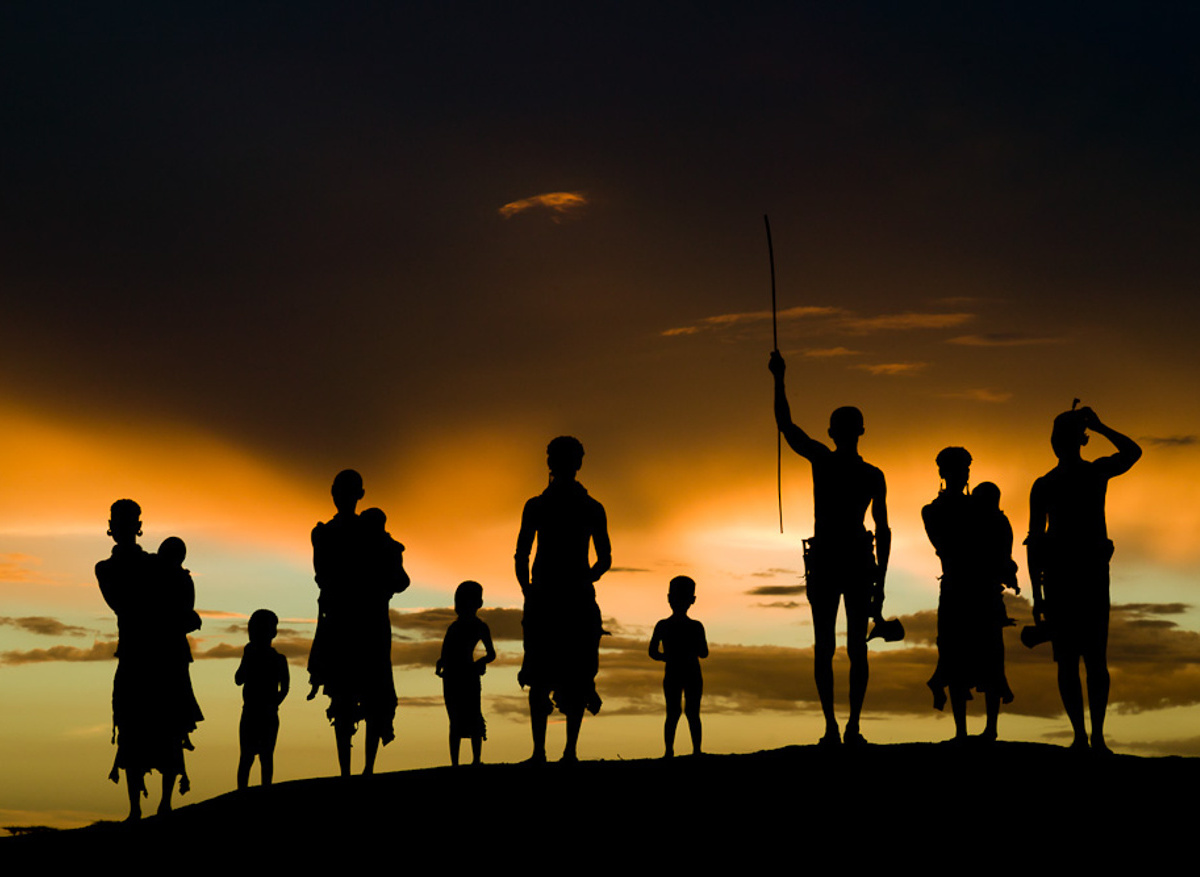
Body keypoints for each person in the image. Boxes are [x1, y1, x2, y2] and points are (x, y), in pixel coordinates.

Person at [769, 350, 890, 747]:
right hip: (857, 558)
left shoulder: (824, 460)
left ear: (834, 432)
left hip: (833, 559)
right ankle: (848, 726)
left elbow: (786, 426)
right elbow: (883, 531)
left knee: (828, 646)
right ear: (862, 431)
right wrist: (881, 580)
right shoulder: (871, 474)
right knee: (854, 646)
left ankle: (836, 728)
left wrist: (779, 378)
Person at [1027, 406, 1141, 753]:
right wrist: (1038, 594)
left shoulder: (1063, 480)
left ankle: (1089, 737)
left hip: (1074, 577)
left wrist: (1037, 594)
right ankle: (1089, 737)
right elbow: (1035, 541)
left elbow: (1035, 542)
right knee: (1082, 660)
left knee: (1081, 660)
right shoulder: (1080, 477)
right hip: (1075, 577)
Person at [95, 500, 203, 820]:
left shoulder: (155, 565)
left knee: (166, 727)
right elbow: (124, 603)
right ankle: (136, 809)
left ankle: (163, 804)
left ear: (137, 524)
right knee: (132, 728)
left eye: (129, 521)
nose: (125, 527)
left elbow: (178, 596)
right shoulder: (110, 568)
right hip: (136, 654)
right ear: (112, 525)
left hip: (159, 656)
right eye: (120, 520)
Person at [515, 436, 612, 763]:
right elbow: (605, 559)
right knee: (574, 672)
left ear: (550, 463)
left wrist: (528, 588)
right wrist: (587, 577)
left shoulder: (539, 505)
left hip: (548, 595)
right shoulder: (590, 507)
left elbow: (521, 555)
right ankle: (564, 751)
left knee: (546, 673)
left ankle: (544, 751)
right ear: (578, 462)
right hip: (570, 596)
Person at [309, 469, 410, 776]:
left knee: (365, 693)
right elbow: (322, 576)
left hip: (358, 619)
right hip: (353, 619)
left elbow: (400, 579)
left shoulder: (345, 533)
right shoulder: (331, 533)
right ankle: (356, 770)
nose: (342, 497)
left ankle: (361, 770)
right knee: (352, 694)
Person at [922, 449, 1016, 741]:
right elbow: (948, 545)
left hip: (977, 588)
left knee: (987, 657)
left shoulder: (976, 508)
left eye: (964, 468)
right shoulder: (936, 510)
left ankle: (988, 730)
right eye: (958, 469)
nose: (962, 474)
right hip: (961, 587)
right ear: (945, 472)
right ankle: (965, 731)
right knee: (955, 657)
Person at [435, 581, 496, 766]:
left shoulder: (479, 627)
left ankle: (475, 759)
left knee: (473, 716)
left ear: (478, 603)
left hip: (467, 675)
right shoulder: (454, 627)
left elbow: (491, 654)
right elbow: (445, 652)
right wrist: (441, 664)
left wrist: (480, 663)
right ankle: (456, 762)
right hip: (453, 676)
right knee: (455, 718)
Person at [649, 575, 708, 758]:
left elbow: (653, 652)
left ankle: (671, 752)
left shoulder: (664, 625)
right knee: (689, 712)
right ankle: (692, 751)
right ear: (693, 600)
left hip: (676, 671)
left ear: (669, 598)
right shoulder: (695, 626)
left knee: (675, 713)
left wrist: (668, 656)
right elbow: (704, 652)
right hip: (689, 671)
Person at [236, 609, 290, 789]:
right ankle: (244, 791)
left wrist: (274, 703)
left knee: (263, 757)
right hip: (253, 712)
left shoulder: (279, 659)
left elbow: (285, 687)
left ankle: (260, 789)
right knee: (250, 757)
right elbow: (239, 679)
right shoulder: (255, 655)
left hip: (262, 713)